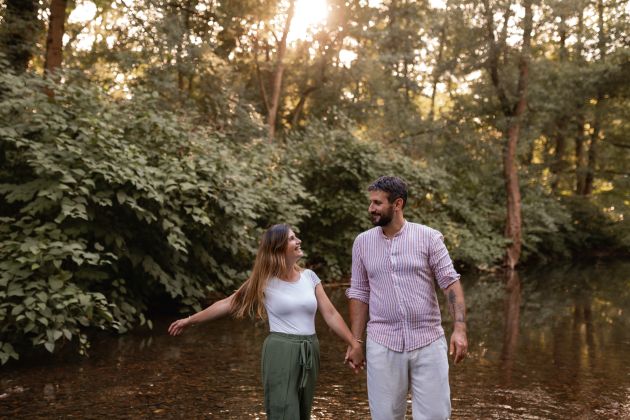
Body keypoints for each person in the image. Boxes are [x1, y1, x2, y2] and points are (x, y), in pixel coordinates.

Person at [168, 223, 364, 420]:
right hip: (281, 350)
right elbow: (228, 303)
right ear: (278, 248)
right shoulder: (264, 280)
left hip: (310, 350)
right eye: (292, 238)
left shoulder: (310, 277)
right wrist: (190, 320)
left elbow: (330, 314)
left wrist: (353, 343)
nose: (299, 241)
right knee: (284, 412)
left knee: (303, 413)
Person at [345, 176, 468, 420]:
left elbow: (450, 283)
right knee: (385, 416)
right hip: (382, 342)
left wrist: (460, 329)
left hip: (428, 341)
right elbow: (359, 293)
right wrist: (355, 342)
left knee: (435, 416)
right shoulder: (362, 243)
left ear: (397, 204)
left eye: (377, 203)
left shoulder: (429, 238)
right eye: (371, 202)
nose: (371, 209)